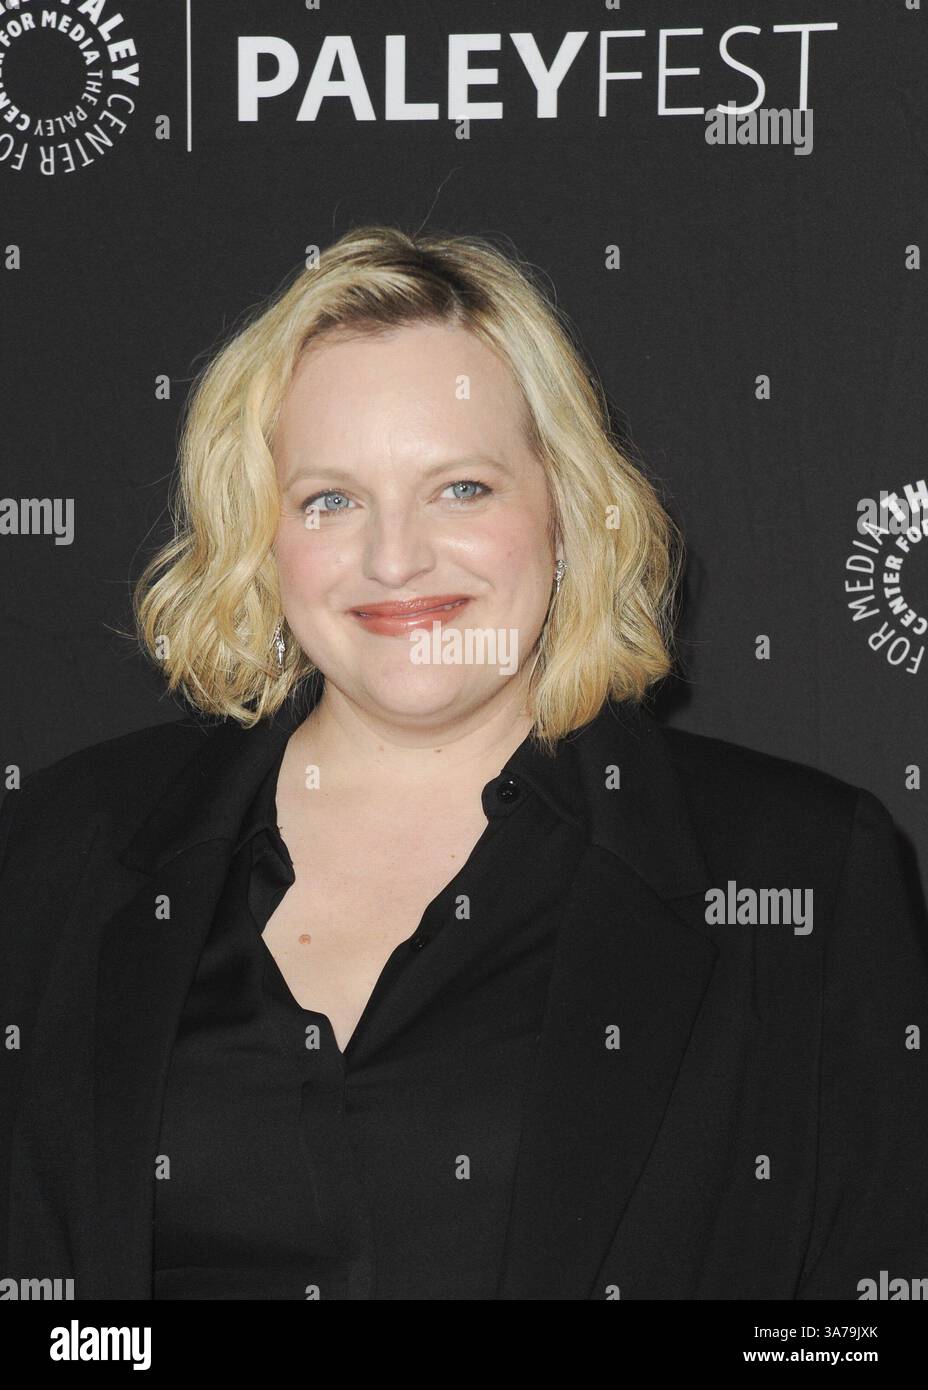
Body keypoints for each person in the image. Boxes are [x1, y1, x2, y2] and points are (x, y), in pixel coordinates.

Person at [1, 224, 926, 1302]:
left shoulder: (799, 871)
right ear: (260, 539)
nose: (395, 558)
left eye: (463, 488)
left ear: (569, 511)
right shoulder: (68, 853)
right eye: (330, 499)